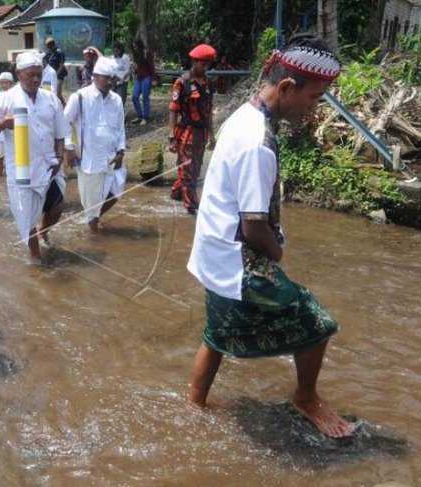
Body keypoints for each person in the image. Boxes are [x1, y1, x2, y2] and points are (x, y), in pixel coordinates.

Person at [186, 35, 354, 438]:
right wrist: (276, 254)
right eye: (313, 99)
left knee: (217, 331)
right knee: (318, 323)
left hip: (211, 251)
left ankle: (194, 403)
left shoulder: (241, 116)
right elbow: (254, 224)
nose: (314, 110)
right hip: (235, 259)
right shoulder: (259, 142)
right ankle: (306, 397)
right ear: (285, 88)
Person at [0, 52, 69, 264]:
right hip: (22, 171)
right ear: (18, 73)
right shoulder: (5, 98)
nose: (35, 79)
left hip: (49, 165)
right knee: (27, 219)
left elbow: (60, 133)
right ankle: (35, 258)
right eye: (30, 74)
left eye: (39, 75)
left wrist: (59, 157)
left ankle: (44, 232)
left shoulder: (50, 98)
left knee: (58, 206)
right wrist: (4, 123)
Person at [64, 57, 126, 234]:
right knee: (91, 201)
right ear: (96, 76)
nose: (110, 82)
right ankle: (92, 230)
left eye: (112, 78)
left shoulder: (116, 100)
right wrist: (69, 148)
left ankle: (93, 219)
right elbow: (64, 122)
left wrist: (121, 150)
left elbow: (120, 127)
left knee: (117, 190)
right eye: (106, 78)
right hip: (89, 159)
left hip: (112, 156)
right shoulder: (80, 97)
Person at [169, 44, 217, 216]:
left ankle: (176, 193)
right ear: (194, 61)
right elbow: (173, 110)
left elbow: (209, 111)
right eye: (203, 64)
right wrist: (171, 137)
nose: (206, 68)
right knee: (188, 169)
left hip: (201, 134)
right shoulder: (182, 83)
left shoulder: (209, 84)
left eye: (208, 65)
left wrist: (212, 135)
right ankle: (191, 207)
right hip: (186, 133)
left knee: (195, 168)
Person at [0, 71, 15, 177]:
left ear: (12, 83)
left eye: (7, 83)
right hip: (0, 132)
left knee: (14, 157)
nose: (4, 85)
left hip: (14, 132)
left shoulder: (17, 96)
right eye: (2, 83)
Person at [131, 38, 155, 125]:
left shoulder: (146, 53)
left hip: (147, 77)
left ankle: (145, 117)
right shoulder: (136, 54)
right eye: (133, 47)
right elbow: (138, 67)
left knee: (145, 97)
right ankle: (139, 115)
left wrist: (154, 79)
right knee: (134, 97)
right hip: (139, 78)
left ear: (140, 46)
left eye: (136, 46)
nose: (134, 48)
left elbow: (152, 66)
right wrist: (135, 70)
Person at [44, 37, 67, 104]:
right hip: (51, 75)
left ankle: (64, 106)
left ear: (53, 44)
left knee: (58, 93)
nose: (49, 47)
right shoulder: (49, 54)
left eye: (50, 45)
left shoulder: (60, 52)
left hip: (59, 75)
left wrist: (55, 74)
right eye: (48, 46)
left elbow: (61, 65)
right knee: (50, 91)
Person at [112, 42, 131, 107]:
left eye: (116, 51)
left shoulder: (125, 57)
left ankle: (120, 114)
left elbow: (127, 70)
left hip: (122, 81)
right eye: (114, 51)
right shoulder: (112, 58)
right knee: (113, 98)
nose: (115, 52)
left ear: (120, 50)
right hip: (114, 80)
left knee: (120, 98)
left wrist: (122, 80)